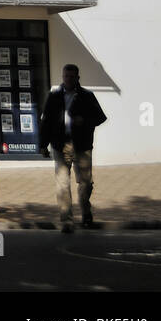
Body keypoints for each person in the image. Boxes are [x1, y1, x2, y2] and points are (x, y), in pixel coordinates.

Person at [39, 64, 107, 232]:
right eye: (65, 76)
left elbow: (100, 117)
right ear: (62, 77)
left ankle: (86, 214)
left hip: (82, 146)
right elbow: (46, 122)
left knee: (85, 184)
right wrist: (42, 144)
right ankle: (66, 220)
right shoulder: (54, 96)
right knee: (62, 184)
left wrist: (84, 121)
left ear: (77, 78)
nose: (68, 79)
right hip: (60, 145)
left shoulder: (86, 96)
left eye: (71, 76)